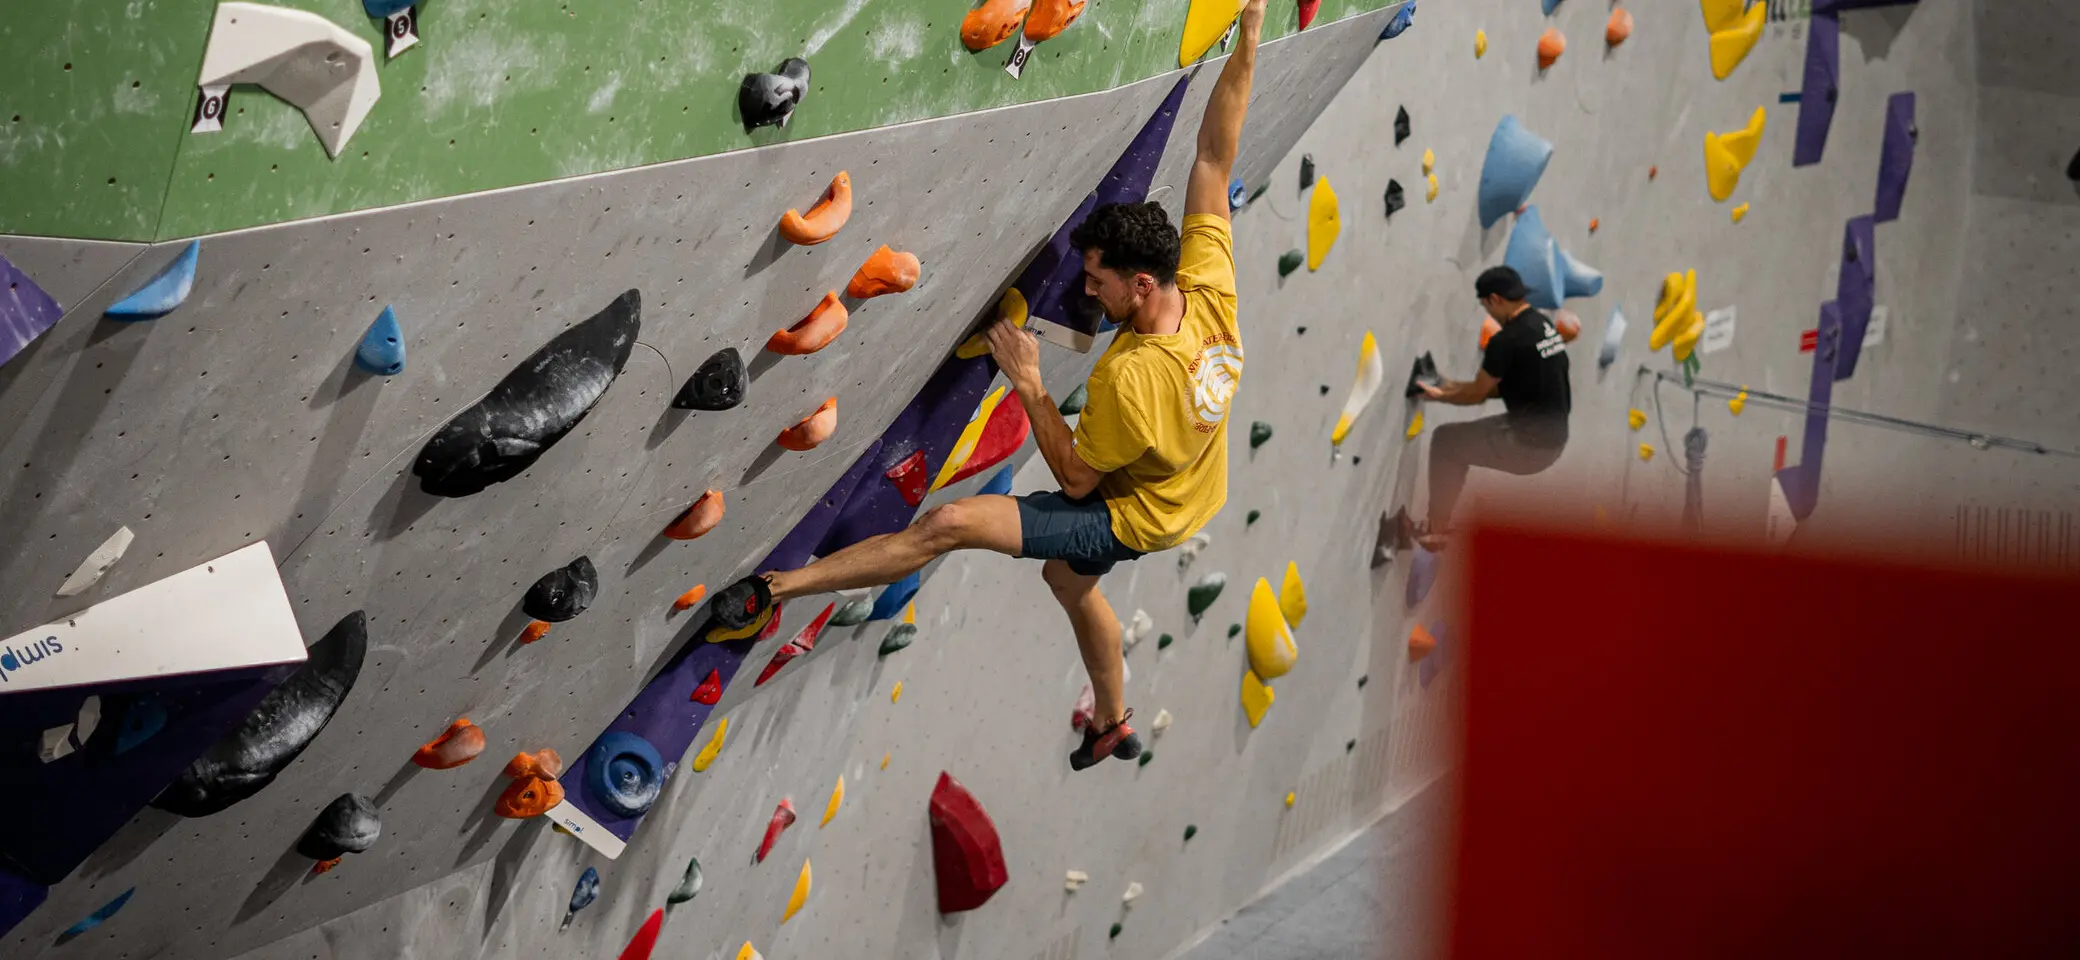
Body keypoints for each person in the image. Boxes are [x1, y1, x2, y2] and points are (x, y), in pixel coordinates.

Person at [704, 0, 1266, 771]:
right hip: (1194, 486)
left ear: (1140, 285)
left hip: (1131, 513)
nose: (1088, 294)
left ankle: (776, 590)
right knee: (1069, 586)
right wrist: (1253, 33)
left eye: (1097, 284)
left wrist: (1031, 382)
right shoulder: (1209, 287)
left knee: (952, 523)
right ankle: (1110, 721)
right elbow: (1213, 156)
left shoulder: (1134, 381)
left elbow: (1074, 477)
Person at [1405, 266, 1571, 549]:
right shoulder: (1542, 326)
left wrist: (1439, 395)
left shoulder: (1505, 342)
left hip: (1529, 446)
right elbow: (1515, 383)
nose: (1487, 312)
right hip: (1550, 436)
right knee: (1461, 441)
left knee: (1448, 442)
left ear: (1495, 299)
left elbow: (1477, 395)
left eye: (1484, 305)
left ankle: (1435, 531)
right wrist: (1448, 384)